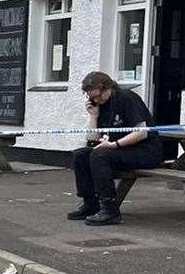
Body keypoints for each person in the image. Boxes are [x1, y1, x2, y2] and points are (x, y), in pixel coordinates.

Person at [68, 71, 163, 226]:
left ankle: (110, 209)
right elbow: (91, 139)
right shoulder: (101, 106)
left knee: (99, 156)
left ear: (108, 88)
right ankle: (90, 203)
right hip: (121, 150)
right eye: (92, 98)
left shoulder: (127, 98)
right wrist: (93, 116)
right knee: (80, 154)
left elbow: (141, 133)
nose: (97, 100)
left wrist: (114, 145)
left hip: (146, 150)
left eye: (99, 96)